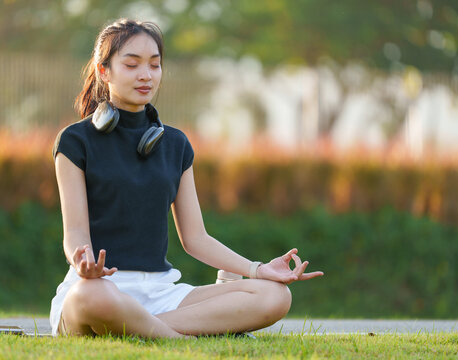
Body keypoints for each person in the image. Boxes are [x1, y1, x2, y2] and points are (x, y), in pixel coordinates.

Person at [49, 18, 324, 338]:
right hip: (101, 289)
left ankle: (144, 330)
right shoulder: (74, 141)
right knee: (91, 297)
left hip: (163, 294)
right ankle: (184, 338)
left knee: (275, 295)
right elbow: (76, 232)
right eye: (132, 64)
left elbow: (195, 238)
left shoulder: (176, 144)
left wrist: (258, 270)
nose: (145, 75)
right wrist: (82, 262)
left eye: (154, 65)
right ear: (104, 71)